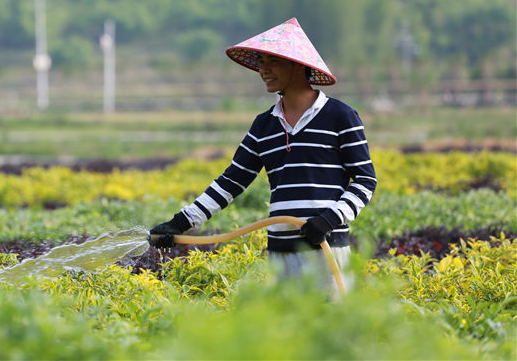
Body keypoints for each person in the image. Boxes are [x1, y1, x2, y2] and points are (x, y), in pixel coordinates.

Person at [149, 17, 377, 293]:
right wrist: (180, 223)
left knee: (330, 328)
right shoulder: (264, 125)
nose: (263, 70)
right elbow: (231, 182)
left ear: (297, 64)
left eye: (272, 62)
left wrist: (331, 217)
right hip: (281, 254)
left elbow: (365, 181)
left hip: (326, 248)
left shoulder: (340, 116)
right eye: (261, 63)